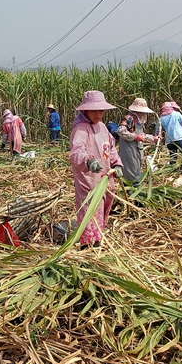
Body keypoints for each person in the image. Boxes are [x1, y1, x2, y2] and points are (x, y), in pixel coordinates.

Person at [68, 91, 122, 249]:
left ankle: (97, 238)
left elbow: (110, 148)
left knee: (102, 210)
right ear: (85, 111)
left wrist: (117, 164)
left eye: (100, 110)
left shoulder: (103, 127)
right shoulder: (81, 129)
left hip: (105, 178)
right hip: (88, 180)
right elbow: (76, 151)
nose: (98, 114)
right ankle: (88, 245)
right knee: (89, 210)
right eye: (94, 110)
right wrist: (88, 161)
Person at [117, 98, 157, 182]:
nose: (143, 114)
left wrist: (153, 138)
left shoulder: (138, 121)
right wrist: (135, 137)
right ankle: (131, 189)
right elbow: (121, 131)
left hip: (137, 148)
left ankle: (135, 186)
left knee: (137, 169)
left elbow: (141, 135)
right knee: (130, 169)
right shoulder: (129, 118)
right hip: (128, 149)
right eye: (141, 112)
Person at [159, 101, 182, 169]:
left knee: (173, 155)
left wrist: (158, 136)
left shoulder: (161, 118)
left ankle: (172, 168)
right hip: (179, 137)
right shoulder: (176, 114)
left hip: (169, 139)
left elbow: (159, 129)